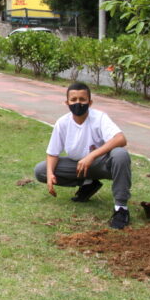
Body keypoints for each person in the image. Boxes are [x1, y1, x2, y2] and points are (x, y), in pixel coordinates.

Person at [34, 82, 132, 229]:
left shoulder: (99, 118)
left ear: (90, 102)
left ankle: (121, 208)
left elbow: (120, 139)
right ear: (67, 102)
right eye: (73, 100)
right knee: (41, 170)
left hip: (102, 164)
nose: (78, 103)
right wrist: (49, 175)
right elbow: (52, 153)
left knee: (120, 154)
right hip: (78, 166)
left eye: (82, 99)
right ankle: (88, 183)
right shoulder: (62, 123)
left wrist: (91, 156)